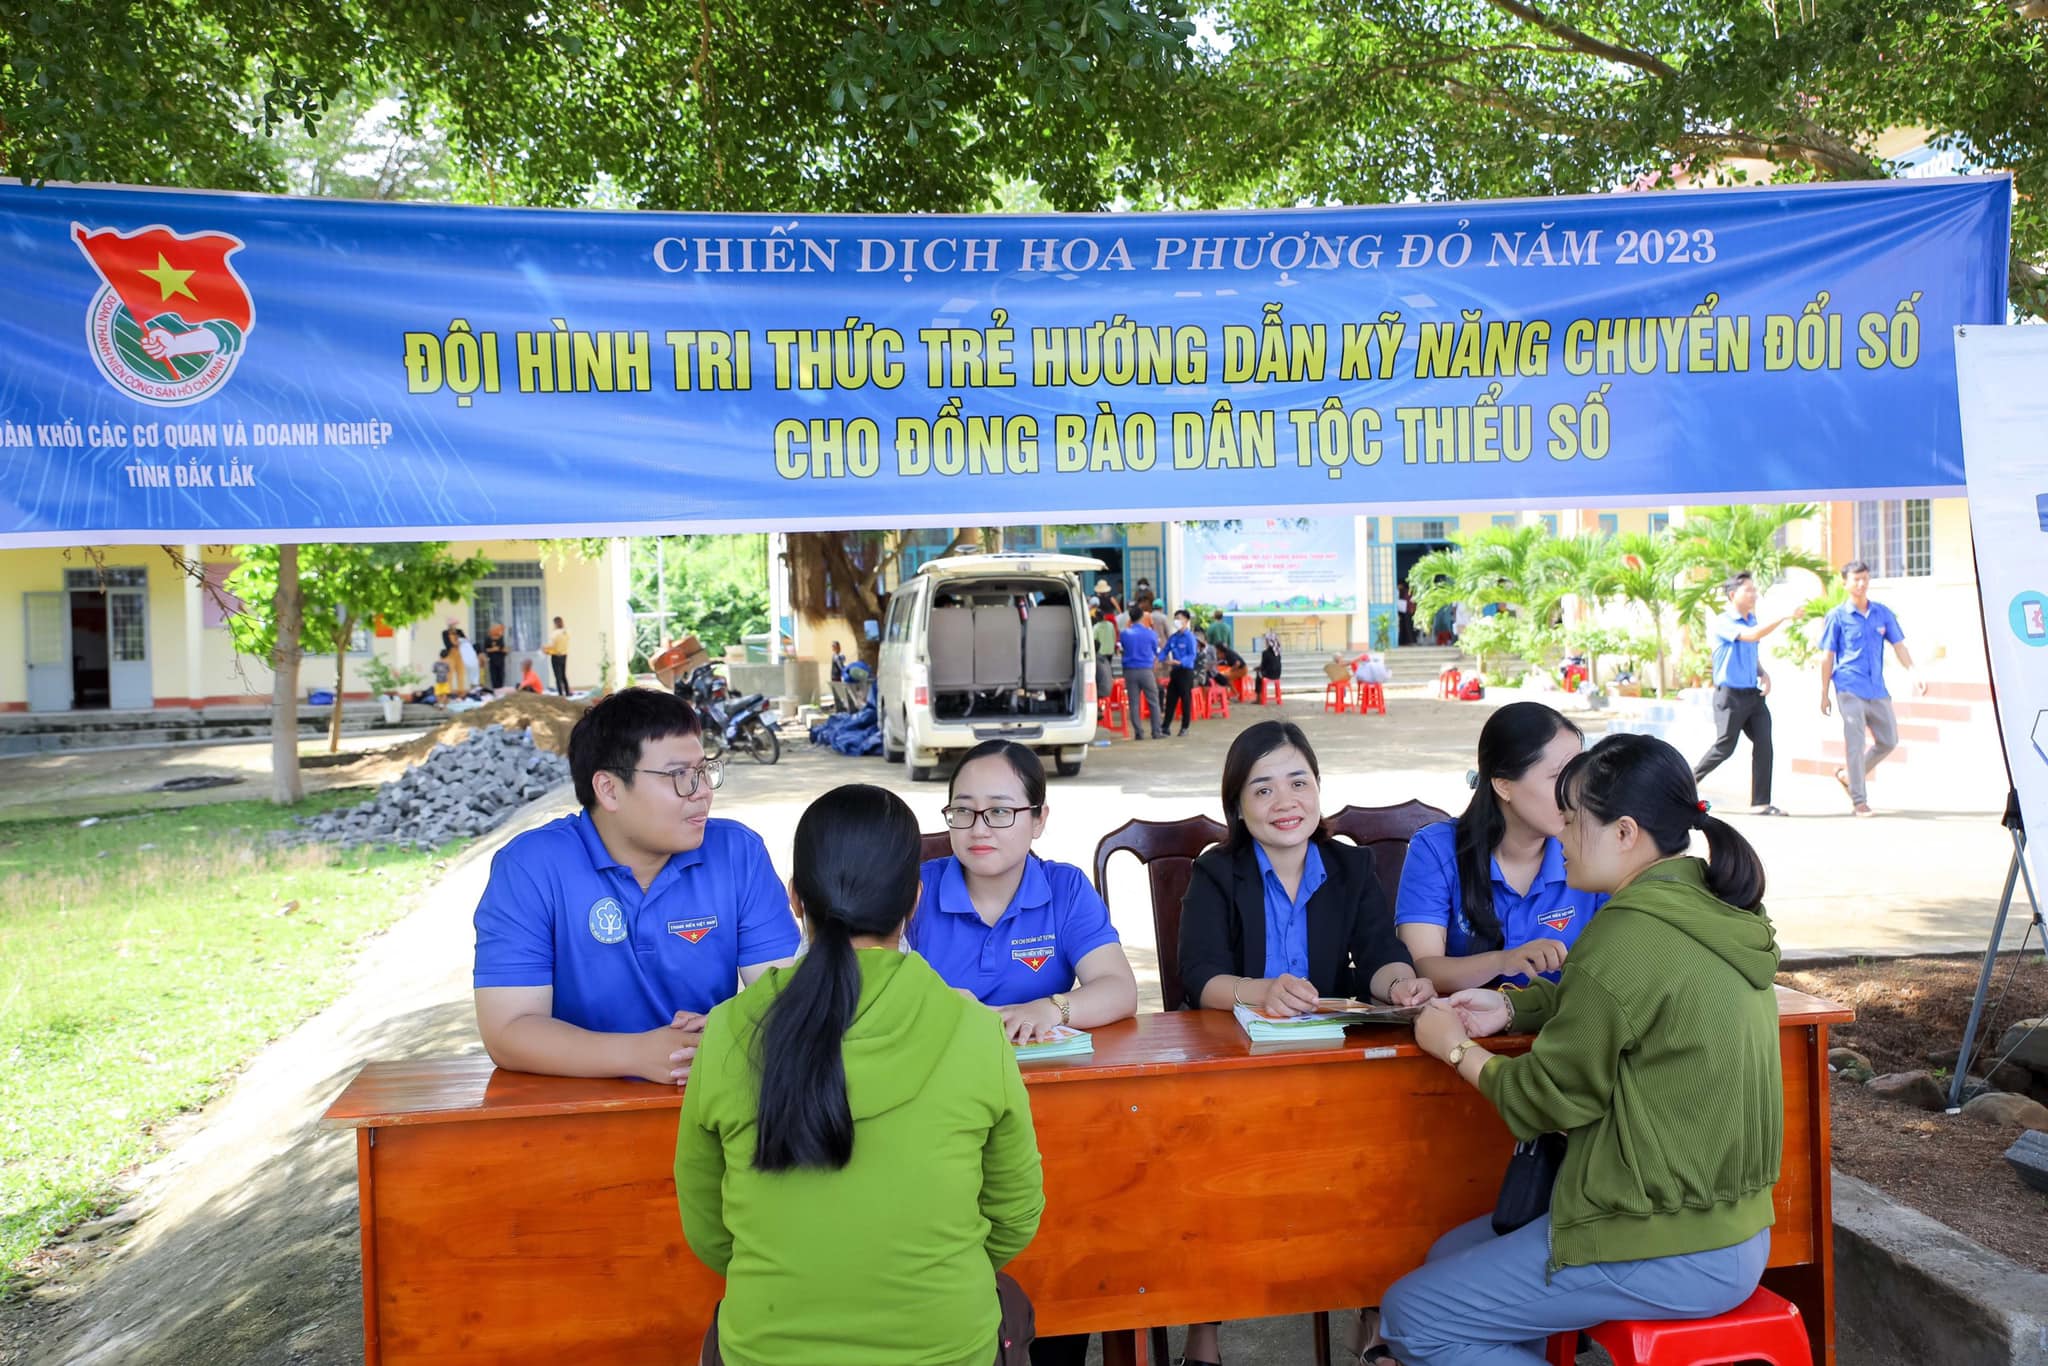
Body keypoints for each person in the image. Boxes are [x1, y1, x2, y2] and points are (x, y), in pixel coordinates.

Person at [1381, 732, 1782, 1366]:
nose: (1560, 834)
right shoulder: (1709, 905)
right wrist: (1513, 1004)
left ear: (1625, 833)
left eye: (1572, 820)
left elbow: (1544, 1098)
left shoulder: (1627, 932)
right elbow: (1622, 1000)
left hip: (1659, 1239)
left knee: (1414, 1316)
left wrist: (1455, 1049)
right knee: (1449, 1257)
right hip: (1734, 1229)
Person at [676, 783, 1045, 1366]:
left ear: (796, 899)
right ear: (914, 900)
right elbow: (1016, 1214)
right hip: (947, 1349)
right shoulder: (974, 1030)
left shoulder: (727, 1032)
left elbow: (709, 1231)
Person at [1177, 720, 1437, 1366]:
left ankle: (1373, 1317)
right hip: (1238, 1067)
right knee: (1205, 1176)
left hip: (1330, 1064)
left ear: (1319, 789)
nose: (1284, 802)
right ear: (1236, 805)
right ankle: (1204, 1334)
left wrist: (1401, 984)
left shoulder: (1350, 866)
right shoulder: (1218, 872)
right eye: (1261, 789)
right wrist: (1259, 990)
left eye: (1298, 782)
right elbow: (1200, 977)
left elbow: (1380, 954)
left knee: (1385, 1158)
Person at [471, 687, 799, 1084]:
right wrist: (638, 1054)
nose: (703, 792)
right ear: (609, 789)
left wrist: (729, 1028)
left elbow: (786, 998)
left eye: (703, 771)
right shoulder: (531, 868)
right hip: (574, 1113)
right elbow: (508, 1031)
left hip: (710, 1099)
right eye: (679, 776)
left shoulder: (737, 854)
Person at [912, 740, 1139, 1038]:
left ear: (1038, 820)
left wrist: (1052, 1009)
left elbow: (1119, 988)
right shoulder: (913, 891)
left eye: (1000, 811)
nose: (979, 829)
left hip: (1044, 1074)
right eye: (964, 810)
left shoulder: (1064, 889)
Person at [1396, 702, 1606, 988]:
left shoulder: (1593, 848)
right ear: (1504, 785)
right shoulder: (1437, 849)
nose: (1575, 793)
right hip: (1462, 1026)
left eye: (1579, 776)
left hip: (1564, 1026)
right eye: (1558, 777)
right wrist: (1504, 960)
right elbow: (1422, 968)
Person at [1820, 560, 1925, 817]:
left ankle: (1848, 775)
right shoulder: (1837, 616)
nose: (1861, 583)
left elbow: (1899, 646)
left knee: (1889, 740)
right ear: (1845, 583)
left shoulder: (1881, 613)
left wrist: (1913, 672)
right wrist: (1824, 693)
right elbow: (1827, 656)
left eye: (1865, 578)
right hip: (1848, 686)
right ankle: (1859, 800)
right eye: (1856, 579)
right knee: (1855, 741)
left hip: (1877, 688)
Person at [1692, 572, 1793, 816]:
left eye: (1754, 590)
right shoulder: (1723, 621)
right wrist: (1784, 615)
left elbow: (1751, 651)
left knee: (1764, 743)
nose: (1753, 594)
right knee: (1725, 747)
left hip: (1753, 695)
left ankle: (1761, 802)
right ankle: (1686, 781)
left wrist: (1763, 673)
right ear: (1732, 594)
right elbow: (1752, 636)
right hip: (1730, 696)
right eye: (1748, 590)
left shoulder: (1752, 620)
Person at [1117, 606, 1164, 741]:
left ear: (1130, 618)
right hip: (1146, 670)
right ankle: (1156, 731)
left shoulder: (1125, 633)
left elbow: (1121, 649)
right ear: (1142, 617)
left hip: (1129, 670)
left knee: (1134, 703)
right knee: (1153, 701)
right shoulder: (1151, 634)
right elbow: (1156, 651)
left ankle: (1139, 732)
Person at [1163, 609, 1199, 736]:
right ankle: (1165, 727)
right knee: (1170, 700)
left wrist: (1180, 662)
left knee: (1185, 700)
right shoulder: (1173, 637)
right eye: (1176, 618)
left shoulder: (1190, 638)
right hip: (1175, 672)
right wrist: (1159, 659)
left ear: (1186, 621)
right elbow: (1165, 650)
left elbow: (1192, 655)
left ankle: (1185, 726)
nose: (1177, 621)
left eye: (1180, 618)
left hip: (1186, 672)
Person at [1090, 606, 1118, 704]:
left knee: (1100, 674)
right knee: (1108, 671)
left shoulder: (1096, 627)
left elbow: (1093, 641)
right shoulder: (1110, 625)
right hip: (1110, 651)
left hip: (1100, 654)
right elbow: (1114, 636)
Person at [543, 615, 571, 695]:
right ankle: (567, 692)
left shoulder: (555, 633)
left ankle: (560, 694)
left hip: (555, 656)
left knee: (557, 676)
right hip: (564, 655)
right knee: (563, 675)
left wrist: (545, 648)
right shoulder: (566, 632)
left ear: (555, 623)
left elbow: (552, 645)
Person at [440, 619, 468, 695]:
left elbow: (465, 640)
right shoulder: (445, 633)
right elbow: (447, 643)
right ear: (448, 625)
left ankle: (461, 692)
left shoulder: (459, 631)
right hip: (450, 654)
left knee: (461, 673)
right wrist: (456, 644)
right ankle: (449, 692)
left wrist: (459, 640)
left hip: (460, 654)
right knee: (449, 673)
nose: (454, 626)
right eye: (452, 625)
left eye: (455, 624)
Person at [1257, 627, 1282, 705]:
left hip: (1269, 674)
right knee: (1261, 673)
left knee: (1258, 675)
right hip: (1278, 674)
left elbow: (1263, 666)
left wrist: (1258, 668)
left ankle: (1258, 698)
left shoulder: (1265, 653)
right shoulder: (1278, 652)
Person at [456, 629, 481, 698]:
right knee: (474, 678)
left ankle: (468, 694)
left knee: (467, 678)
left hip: (466, 661)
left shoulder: (458, 641)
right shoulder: (467, 640)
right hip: (474, 660)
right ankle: (476, 693)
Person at [484, 622, 509, 690]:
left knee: (501, 676)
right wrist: (493, 649)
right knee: (494, 676)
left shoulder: (501, 638)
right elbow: (485, 649)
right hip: (492, 660)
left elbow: (502, 648)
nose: (499, 631)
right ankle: (495, 690)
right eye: (497, 629)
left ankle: (500, 690)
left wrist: (504, 650)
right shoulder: (488, 639)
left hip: (501, 660)